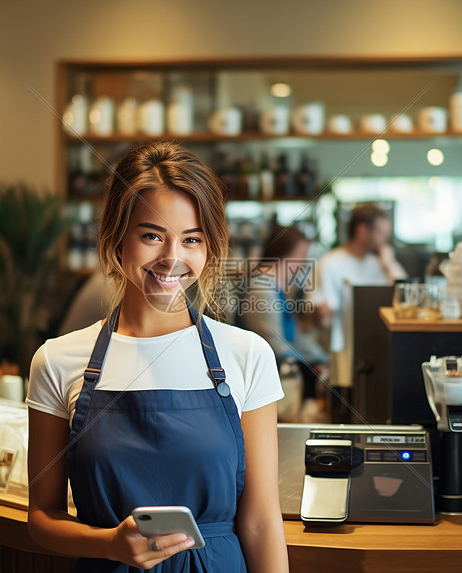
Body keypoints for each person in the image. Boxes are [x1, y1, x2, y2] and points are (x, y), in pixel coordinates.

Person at [26, 141, 289, 573]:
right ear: (117, 237)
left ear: (209, 248)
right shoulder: (56, 361)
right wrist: (110, 545)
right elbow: (42, 518)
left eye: (191, 239)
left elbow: (260, 522)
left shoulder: (247, 355)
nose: (172, 258)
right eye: (151, 235)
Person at [310, 205, 407, 388]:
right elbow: (322, 315)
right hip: (344, 353)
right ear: (362, 231)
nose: (384, 240)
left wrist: (389, 263)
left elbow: (407, 295)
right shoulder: (330, 263)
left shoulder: (380, 263)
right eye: (380, 233)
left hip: (381, 346)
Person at [240, 226, 328, 422]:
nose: (304, 262)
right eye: (302, 254)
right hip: (266, 383)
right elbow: (275, 345)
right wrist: (313, 365)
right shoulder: (262, 289)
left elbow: (293, 337)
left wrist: (320, 358)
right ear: (288, 255)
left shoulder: (276, 287)